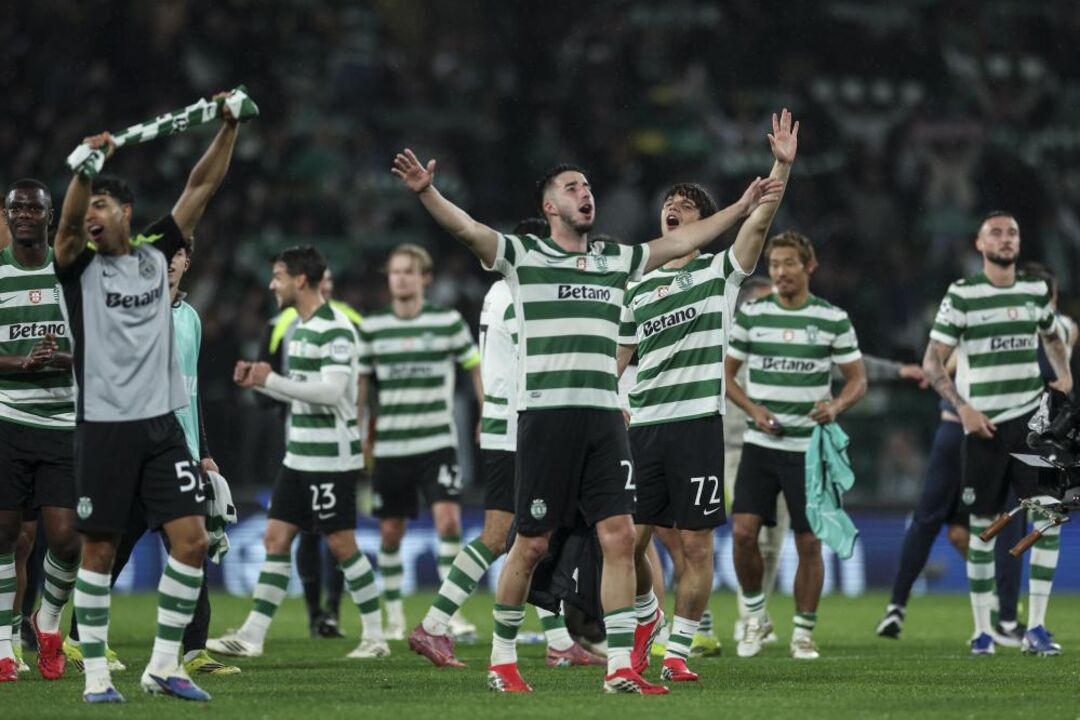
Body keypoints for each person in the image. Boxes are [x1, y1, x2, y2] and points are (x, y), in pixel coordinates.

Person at [392, 144, 783, 693]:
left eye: (588, 186)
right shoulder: (523, 256)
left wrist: (743, 206)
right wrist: (428, 192)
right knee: (529, 544)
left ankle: (622, 667)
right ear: (550, 206)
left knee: (620, 539)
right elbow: (469, 229)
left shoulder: (614, 260)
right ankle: (502, 663)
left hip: (605, 420)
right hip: (547, 419)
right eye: (573, 187)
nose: (585, 193)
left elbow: (682, 241)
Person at [53, 94, 240, 703]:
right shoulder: (77, 266)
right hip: (105, 427)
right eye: (89, 208)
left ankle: (163, 666)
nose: (92, 216)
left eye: (103, 204)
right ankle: (98, 678)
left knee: (190, 542)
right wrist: (83, 169)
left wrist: (229, 127)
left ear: (128, 212)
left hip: (162, 427)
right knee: (101, 549)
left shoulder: (157, 252)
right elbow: (65, 227)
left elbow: (202, 184)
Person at [615, 109, 798, 682]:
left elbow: (760, 224)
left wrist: (780, 167)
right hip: (641, 426)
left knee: (696, 549)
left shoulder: (720, 273)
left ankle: (678, 652)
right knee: (626, 542)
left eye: (686, 206)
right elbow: (616, 360)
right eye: (668, 205)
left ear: (700, 221)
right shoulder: (634, 285)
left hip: (697, 425)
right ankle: (648, 617)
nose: (673, 209)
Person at [409, 218, 603, 669]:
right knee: (508, 536)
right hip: (521, 426)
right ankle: (435, 626)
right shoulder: (520, 292)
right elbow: (536, 356)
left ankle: (556, 641)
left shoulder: (498, 292)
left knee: (531, 536)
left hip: (507, 421)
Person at [208, 245, 388, 660]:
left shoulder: (337, 329)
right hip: (299, 455)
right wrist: (261, 379)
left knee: (341, 544)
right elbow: (301, 389)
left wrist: (272, 381)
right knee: (275, 537)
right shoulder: (300, 328)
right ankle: (253, 635)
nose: (272, 284)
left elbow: (330, 392)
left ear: (300, 280)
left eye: (278, 275)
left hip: (331, 456)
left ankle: (375, 637)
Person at [923, 212, 1072, 656]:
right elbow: (934, 363)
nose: (1005, 240)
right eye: (996, 233)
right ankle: (983, 631)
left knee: (1048, 520)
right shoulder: (963, 294)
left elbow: (1054, 336)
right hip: (983, 427)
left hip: (1031, 426)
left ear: (1018, 243)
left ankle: (1038, 629)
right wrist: (963, 408)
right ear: (978, 243)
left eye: (1012, 233)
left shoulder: (1034, 290)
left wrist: (1064, 380)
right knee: (983, 528)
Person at [725, 231, 868, 660]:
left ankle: (803, 632)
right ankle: (754, 617)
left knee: (808, 542)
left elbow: (858, 380)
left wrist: (837, 405)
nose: (781, 272)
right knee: (744, 533)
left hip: (809, 450)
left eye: (789, 263)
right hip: (760, 444)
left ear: (810, 266)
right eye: (775, 264)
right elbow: (727, 377)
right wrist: (754, 410)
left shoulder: (832, 318)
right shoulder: (752, 315)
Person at [357, 244, 482, 641]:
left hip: (436, 442)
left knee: (449, 521)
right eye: (395, 272)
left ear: (425, 278)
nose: (401, 278)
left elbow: (475, 367)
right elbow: (361, 388)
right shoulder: (373, 328)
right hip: (391, 445)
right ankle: (393, 614)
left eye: (409, 271)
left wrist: (486, 413)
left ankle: (449, 614)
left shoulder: (447, 322)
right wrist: (359, 435)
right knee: (390, 532)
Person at [0, 179, 81, 682]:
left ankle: (46, 621)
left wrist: (66, 358)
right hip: (8, 417)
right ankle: (4, 647)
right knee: (5, 536)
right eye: (17, 207)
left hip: (64, 424)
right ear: (7, 216)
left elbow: (98, 345)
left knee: (68, 540)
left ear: (51, 216)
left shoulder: (70, 274)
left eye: (35, 207)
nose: (25, 214)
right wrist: (20, 363)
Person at [263, 267, 360, 639]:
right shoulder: (280, 324)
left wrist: (360, 427)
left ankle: (337, 613)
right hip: (293, 442)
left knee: (336, 535)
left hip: (332, 445)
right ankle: (310, 612)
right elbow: (268, 376)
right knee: (294, 532)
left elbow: (358, 383)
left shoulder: (346, 323)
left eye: (332, 283)